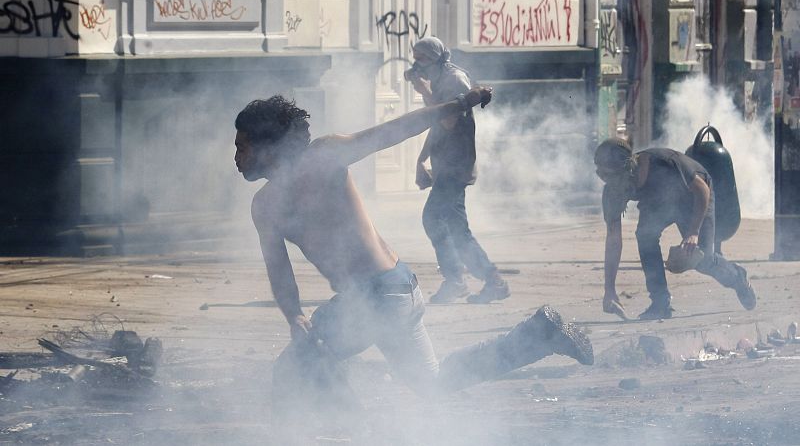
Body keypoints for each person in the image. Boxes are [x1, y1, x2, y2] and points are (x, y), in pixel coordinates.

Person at [234, 89, 593, 434]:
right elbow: (279, 273)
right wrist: (294, 314)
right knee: (432, 382)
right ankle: (539, 335)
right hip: (396, 292)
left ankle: (352, 434)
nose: (236, 157)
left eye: (242, 146)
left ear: (266, 146)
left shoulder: (322, 157)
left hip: (377, 295)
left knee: (296, 367)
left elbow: (393, 131)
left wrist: (458, 103)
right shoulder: (264, 207)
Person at [594, 138, 757, 320]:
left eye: (611, 176)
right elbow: (614, 240)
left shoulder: (664, 163)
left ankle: (737, 278)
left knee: (701, 258)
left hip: (693, 197)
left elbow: (702, 190)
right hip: (657, 202)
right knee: (645, 236)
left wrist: (693, 232)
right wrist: (609, 290)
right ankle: (660, 302)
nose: (609, 183)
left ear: (628, 168)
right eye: (603, 176)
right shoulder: (613, 191)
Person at [407, 36, 509, 304]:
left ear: (435, 57)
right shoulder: (439, 78)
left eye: (421, 59)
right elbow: (436, 125)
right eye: (414, 58)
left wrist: (426, 93)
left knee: (436, 220)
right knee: (452, 225)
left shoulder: (453, 80)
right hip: (446, 165)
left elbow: (449, 121)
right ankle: (482, 280)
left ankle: (463, 280)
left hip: (456, 166)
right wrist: (422, 159)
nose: (417, 64)